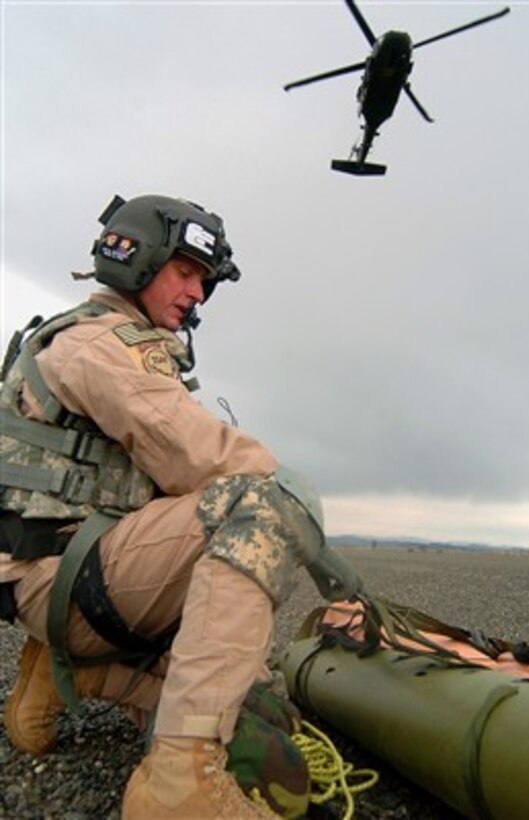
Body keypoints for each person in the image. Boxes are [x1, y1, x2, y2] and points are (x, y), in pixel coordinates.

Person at [0, 193, 361, 819]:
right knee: (267, 505)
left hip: (61, 575)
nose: (197, 293)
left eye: (205, 281)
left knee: (251, 702)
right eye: (187, 271)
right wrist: (323, 553)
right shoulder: (102, 346)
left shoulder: (85, 337)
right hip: (63, 580)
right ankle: (177, 783)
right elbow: (201, 456)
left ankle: (65, 677)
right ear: (138, 258)